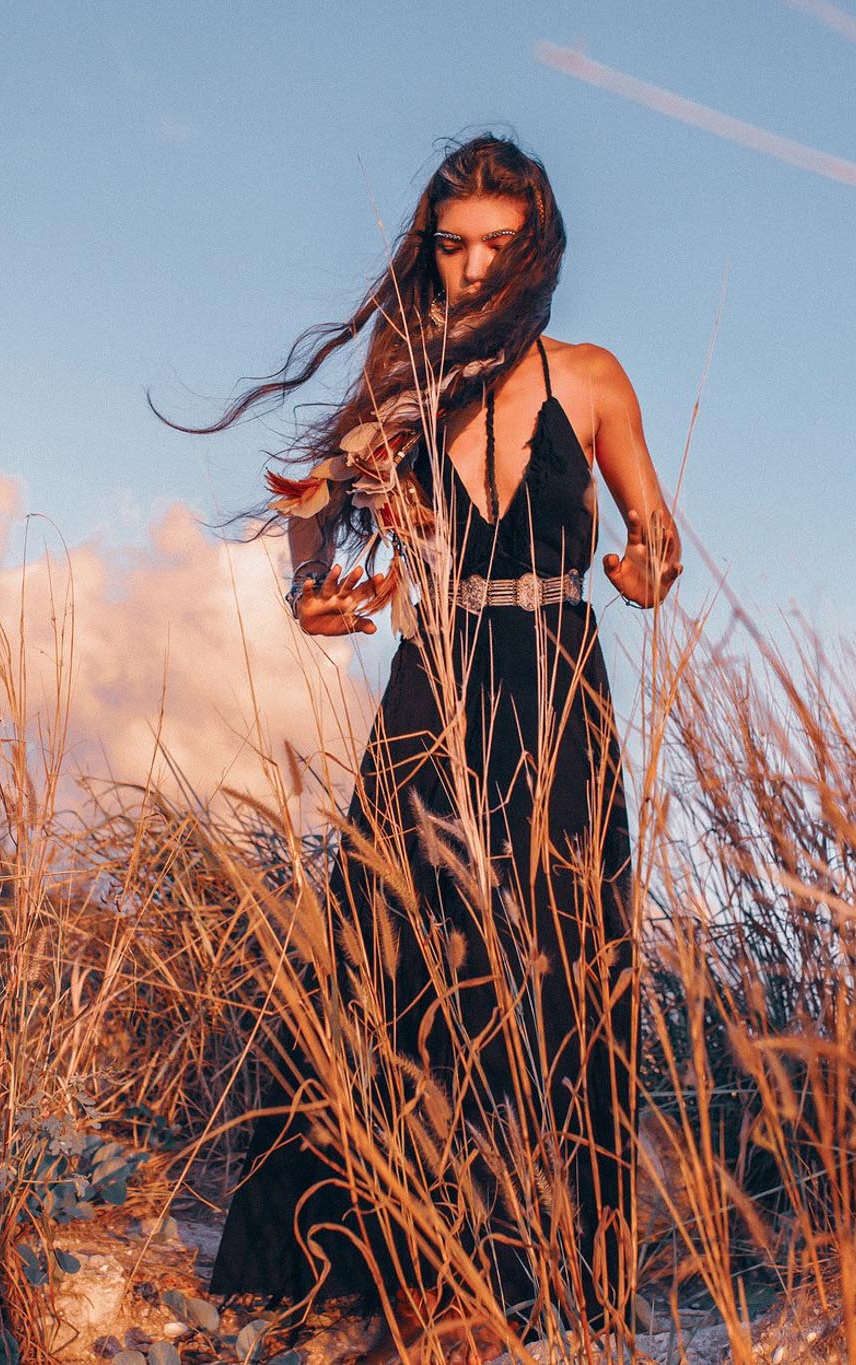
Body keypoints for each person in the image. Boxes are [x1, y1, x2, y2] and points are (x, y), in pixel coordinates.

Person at [161, 133, 681, 1359]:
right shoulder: (402, 398)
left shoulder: (593, 378)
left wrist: (639, 565)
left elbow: (662, 542)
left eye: (495, 244)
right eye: (452, 245)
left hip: (559, 694)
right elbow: (306, 514)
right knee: (390, 959)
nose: (471, 266)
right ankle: (382, 1267)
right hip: (431, 695)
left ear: (536, 249)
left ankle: (554, 1269)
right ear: (428, 255)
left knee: (561, 963)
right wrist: (312, 596)